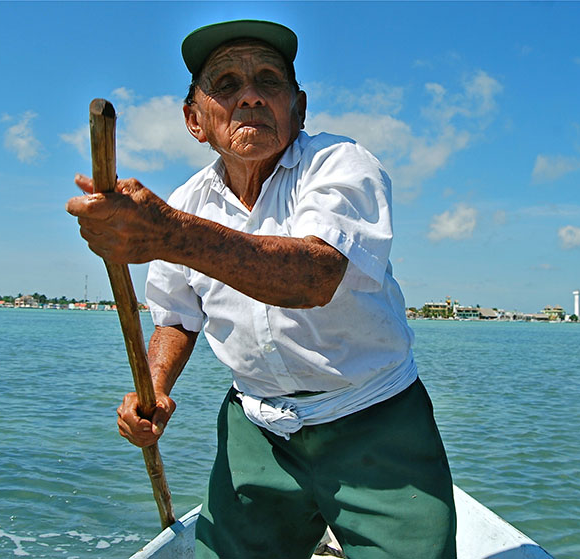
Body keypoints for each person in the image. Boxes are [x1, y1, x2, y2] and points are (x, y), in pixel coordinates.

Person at [66, 19, 456, 559]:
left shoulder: (341, 164)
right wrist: (153, 390)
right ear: (194, 120)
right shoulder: (187, 202)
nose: (249, 96)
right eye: (225, 85)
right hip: (258, 428)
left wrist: (170, 235)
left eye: (269, 81)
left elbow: (315, 275)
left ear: (298, 108)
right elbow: (177, 318)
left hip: (378, 423)